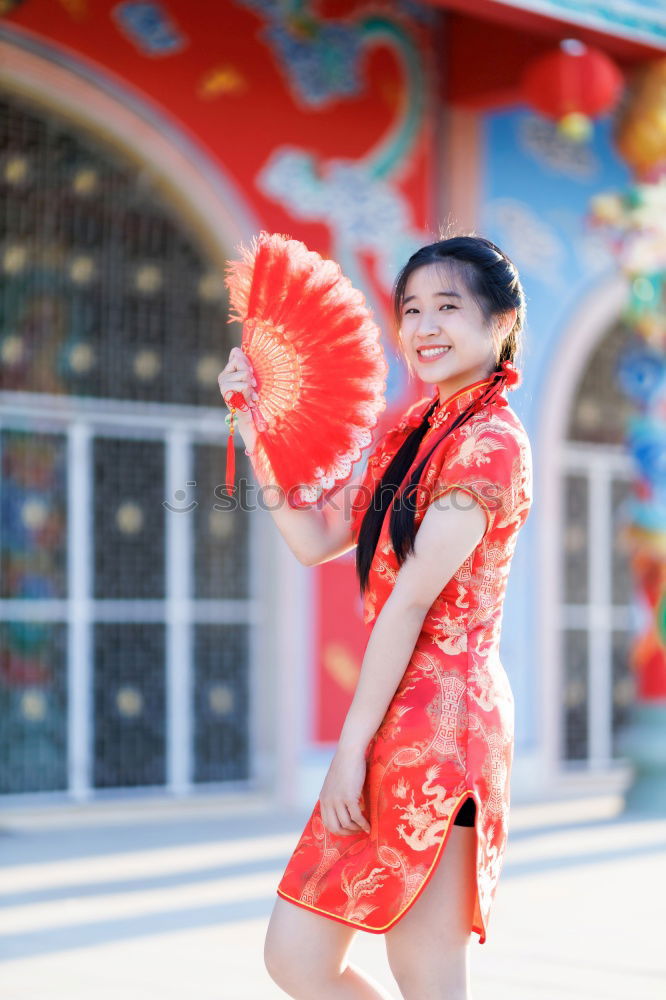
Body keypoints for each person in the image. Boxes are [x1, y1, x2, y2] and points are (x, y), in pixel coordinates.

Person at [217, 234, 533, 1000]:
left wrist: (349, 745)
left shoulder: (490, 444)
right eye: (411, 309)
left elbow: (414, 598)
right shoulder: (411, 434)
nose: (423, 325)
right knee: (296, 957)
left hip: (445, 726)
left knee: (424, 973)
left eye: (448, 307)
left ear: (501, 321)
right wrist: (253, 424)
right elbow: (315, 539)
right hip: (395, 715)